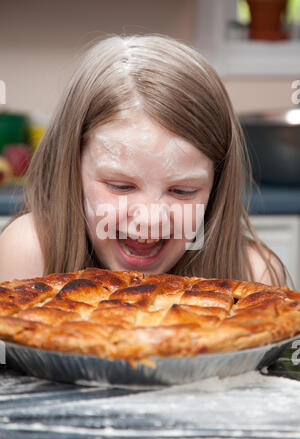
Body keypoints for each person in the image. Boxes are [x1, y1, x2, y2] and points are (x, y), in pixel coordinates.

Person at [0, 34, 288, 286]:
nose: (150, 220)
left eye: (182, 191)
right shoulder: (30, 253)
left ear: (217, 184)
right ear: (71, 169)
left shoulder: (253, 275)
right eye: (120, 186)